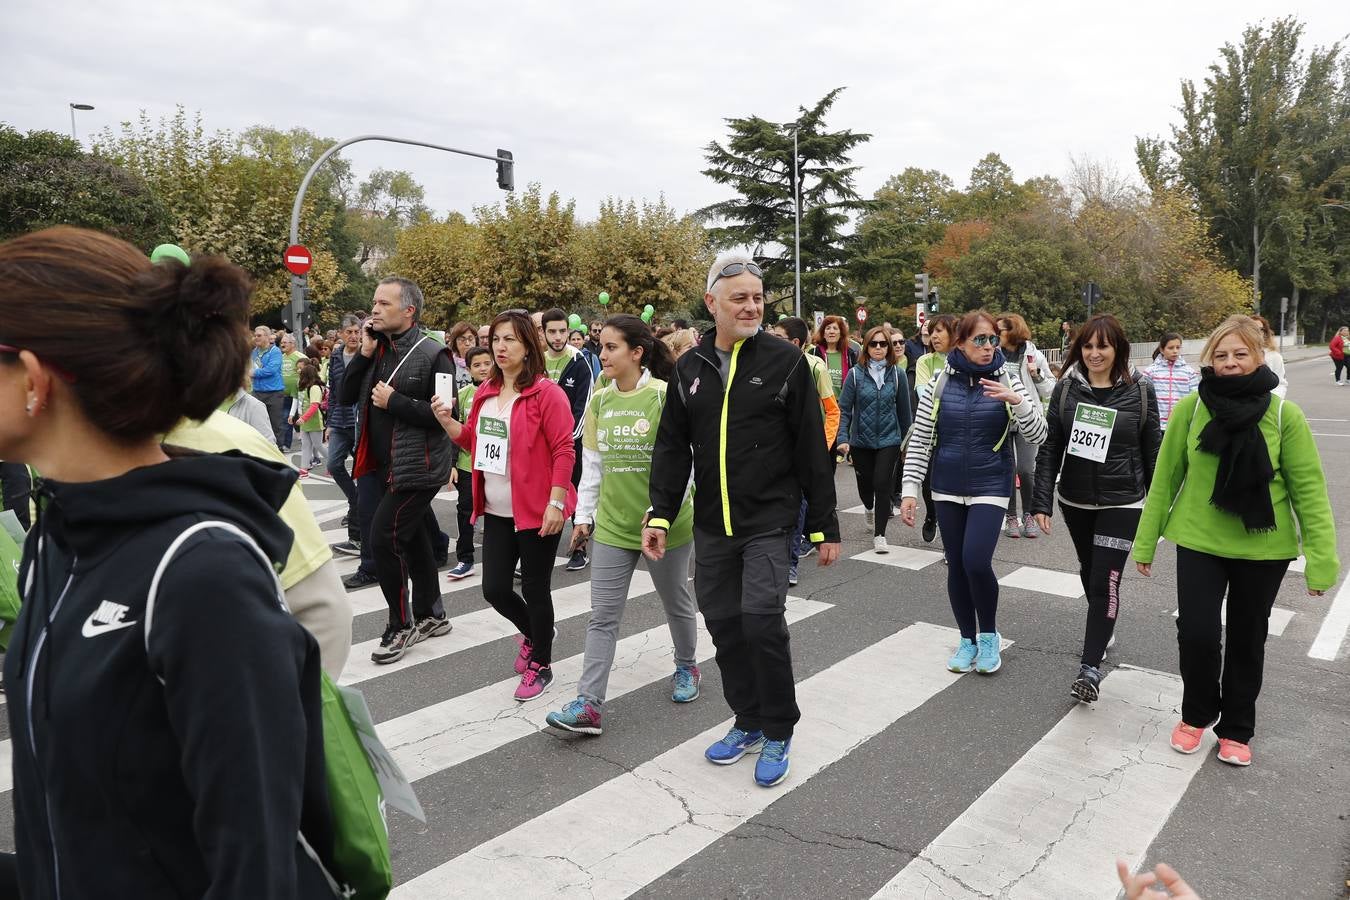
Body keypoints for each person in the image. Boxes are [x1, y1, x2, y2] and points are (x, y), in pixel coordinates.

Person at [0, 226, 338, 896]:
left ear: (34, 381)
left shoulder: (202, 574)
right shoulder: (55, 538)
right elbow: (91, 826)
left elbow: (254, 872)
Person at [645, 252, 840, 789]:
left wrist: (824, 526)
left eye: (758, 297)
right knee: (725, 624)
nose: (753, 306)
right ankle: (747, 719)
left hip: (770, 521)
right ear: (712, 304)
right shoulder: (689, 367)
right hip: (712, 524)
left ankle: (779, 728)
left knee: (761, 619)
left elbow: (809, 451)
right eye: (740, 298)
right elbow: (671, 450)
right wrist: (659, 514)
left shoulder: (788, 362)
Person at [1134, 315, 1338, 767]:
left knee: (1249, 639)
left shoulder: (1285, 415)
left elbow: (1309, 492)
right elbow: (1165, 480)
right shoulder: (1191, 408)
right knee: (1197, 633)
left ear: (1259, 357)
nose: (1229, 362)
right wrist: (1145, 543)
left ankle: (1237, 729)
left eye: (1240, 354)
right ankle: (1197, 713)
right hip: (1198, 540)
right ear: (1209, 360)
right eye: (1220, 355)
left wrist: (1322, 563)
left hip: (1264, 550)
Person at [545, 315, 700, 735]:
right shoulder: (599, 401)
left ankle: (687, 666)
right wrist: (585, 517)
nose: (603, 354)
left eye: (612, 347)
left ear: (637, 352)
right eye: (602, 346)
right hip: (613, 526)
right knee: (603, 616)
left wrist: (663, 513)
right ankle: (588, 704)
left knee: (676, 601)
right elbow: (592, 464)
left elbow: (684, 463)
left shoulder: (664, 396)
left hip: (666, 524)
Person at [433, 311, 577, 701]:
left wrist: (556, 502)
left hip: (537, 510)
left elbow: (565, 449)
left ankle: (541, 664)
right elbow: (479, 447)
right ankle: (535, 632)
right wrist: (448, 424)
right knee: (494, 588)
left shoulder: (548, 394)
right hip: (496, 507)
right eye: (496, 338)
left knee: (535, 587)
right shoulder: (485, 393)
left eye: (510, 339)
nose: (500, 346)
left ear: (529, 345)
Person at [900, 310, 1047, 675]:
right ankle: (967, 639)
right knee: (956, 566)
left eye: (992, 339)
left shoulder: (1010, 376)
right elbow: (920, 438)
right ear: (960, 343)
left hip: (990, 483)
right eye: (979, 340)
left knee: (976, 562)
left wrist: (1017, 401)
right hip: (946, 484)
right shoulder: (939, 381)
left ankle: (989, 636)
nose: (987, 347)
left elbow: (1039, 435)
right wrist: (909, 489)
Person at [1032, 314, 1160, 702]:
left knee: (1107, 580)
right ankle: (1102, 628)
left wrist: (1157, 511)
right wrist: (1042, 501)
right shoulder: (1067, 389)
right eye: (1087, 346)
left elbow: (1153, 449)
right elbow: (1051, 445)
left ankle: (1089, 669)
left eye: (1102, 346)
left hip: (1123, 500)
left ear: (1117, 348)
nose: (1094, 353)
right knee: (1090, 572)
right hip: (1075, 499)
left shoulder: (1140, 390)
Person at [339, 276, 456, 664]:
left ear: (408, 311)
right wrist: (364, 354)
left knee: (384, 538)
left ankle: (400, 624)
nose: (374, 309)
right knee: (414, 538)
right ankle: (432, 614)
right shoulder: (379, 347)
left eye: (384, 304)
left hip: (418, 467)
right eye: (374, 302)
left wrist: (396, 401)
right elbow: (344, 395)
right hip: (381, 462)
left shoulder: (434, 353)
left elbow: (444, 416)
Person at [770, 316, 839, 586]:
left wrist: (821, 446)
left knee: (798, 506)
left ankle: (791, 563)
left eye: (778, 338)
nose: (770, 342)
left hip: (805, 449)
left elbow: (832, 410)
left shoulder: (815, 366)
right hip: (776, 452)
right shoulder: (765, 364)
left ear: (795, 342)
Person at [837, 325, 911, 554]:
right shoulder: (855, 375)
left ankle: (880, 535)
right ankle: (867, 507)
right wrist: (842, 437)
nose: (878, 348)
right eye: (874, 344)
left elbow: (905, 413)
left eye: (883, 344)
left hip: (889, 439)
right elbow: (845, 409)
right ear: (866, 347)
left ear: (889, 347)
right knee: (866, 485)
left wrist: (908, 444)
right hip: (860, 441)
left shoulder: (897, 375)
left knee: (882, 484)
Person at [540, 307, 595, 570]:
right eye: (552, 331)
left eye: (563, 331)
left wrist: (566, 440)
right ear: (544, 332)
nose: (558, 336)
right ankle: (537, 551)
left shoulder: (579, 361)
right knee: (543, 496)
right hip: (540, 447)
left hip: (570, 444)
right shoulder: (536, 361)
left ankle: (579, 549)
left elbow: (583, 407)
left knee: (575, 494)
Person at [997, 313, 1055, 538]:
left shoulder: (1033, 354)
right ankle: (1011, 516)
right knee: (1007, 470)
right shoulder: (992, 353)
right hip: (1001, 417)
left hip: (1027, 417)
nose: (995, 334)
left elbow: (1050, 388)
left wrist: (1037, 375)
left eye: (999, 330)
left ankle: (1029, 513)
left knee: (1025, 469)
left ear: (1012, 331)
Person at [447, 345, 493, 580]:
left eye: (487, 363)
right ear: (469, 368)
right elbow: (456, 430)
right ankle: (465, 558)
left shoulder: (502, 390)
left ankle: (510, 559)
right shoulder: (463, 394)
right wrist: (452, 464)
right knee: (465, 511)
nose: (483, 369)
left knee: (500, 515)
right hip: (467, 464)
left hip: (496, 465)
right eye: (477, 365)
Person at [911, 313, 957, 543]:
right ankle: (931, 514)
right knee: (929, 483)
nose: (933, 336)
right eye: (931, 332)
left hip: (958, 431)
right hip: (931, 428)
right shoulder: (925, 361)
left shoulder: (963, 359)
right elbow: (923, 393)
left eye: (939, 331)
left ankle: (951, 543)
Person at [327, 315, 364, 556]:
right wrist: (329, 422)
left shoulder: (367, 354)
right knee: (333, 464)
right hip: (340, 422)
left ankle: (358, 537)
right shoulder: (335, 357)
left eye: (356, 331)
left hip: (359, 423)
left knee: (363, 474)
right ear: (341, 334)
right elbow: (332, 391)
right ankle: (354, 499)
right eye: (348, 331)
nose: (353, 336)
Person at [1141, 332, 1199, 431]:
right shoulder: (1150, 372)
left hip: (1181, 425)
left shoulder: (1190, 373)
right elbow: (1144, 399)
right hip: (1156, 425)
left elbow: (1195, 399)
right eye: (1171, 348)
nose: (1175, 351)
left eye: (1178, 347)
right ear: (1162, 350)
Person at [250, 324, 287, 449]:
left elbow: (270, 370)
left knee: (275, 422)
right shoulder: (254, 352)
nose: (256, 338)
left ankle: (278, 448)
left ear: (267, 336)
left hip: (274, 392)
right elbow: (250, 367)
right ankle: (261, 447)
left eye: (259, 335)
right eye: (255, 336)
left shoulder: (275, 351)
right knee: (257, 421)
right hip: (257, 392)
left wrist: (253, 373)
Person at [290, 358, 326, 476]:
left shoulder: (314, 388)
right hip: (305, 421)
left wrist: (303, 418)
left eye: (301, 372)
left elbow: (314, 406)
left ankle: (334, 464)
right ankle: (303, 469)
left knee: (318, 445)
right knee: (306, 446)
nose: (299, 373)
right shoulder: (306, 387)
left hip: (314, 421)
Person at [811, 314, 857, 397]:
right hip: (820, 403)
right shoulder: (814, 353)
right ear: (823, 333)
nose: (831, 332)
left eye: (835, 328)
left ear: (841, 333)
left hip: (842, 404)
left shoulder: (850, 354)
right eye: (828, 328)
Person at [278, 331, 305, 452]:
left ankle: (310, 445)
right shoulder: (280, 357)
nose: (282, 344)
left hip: (298, 395)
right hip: (282, 394)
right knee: (285, 419)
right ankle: (285, 445)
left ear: (292, 344)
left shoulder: (300, 356)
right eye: (281, 342)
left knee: (295, 419)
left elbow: (309, 371)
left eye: (285, 342)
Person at [1251, 315, 1288, 398]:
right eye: (1252, 329)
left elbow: (1280, 384)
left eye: (1260, 329)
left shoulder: (1274, 356)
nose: (1256, 332)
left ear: (1265, 333)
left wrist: (1271, 401)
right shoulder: (1237, 355)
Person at [449, 321, 478, 391]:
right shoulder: (449, 363)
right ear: (455, 342)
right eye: (462, 340)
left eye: (471, 339)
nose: (467, 343)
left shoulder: (484, 362)